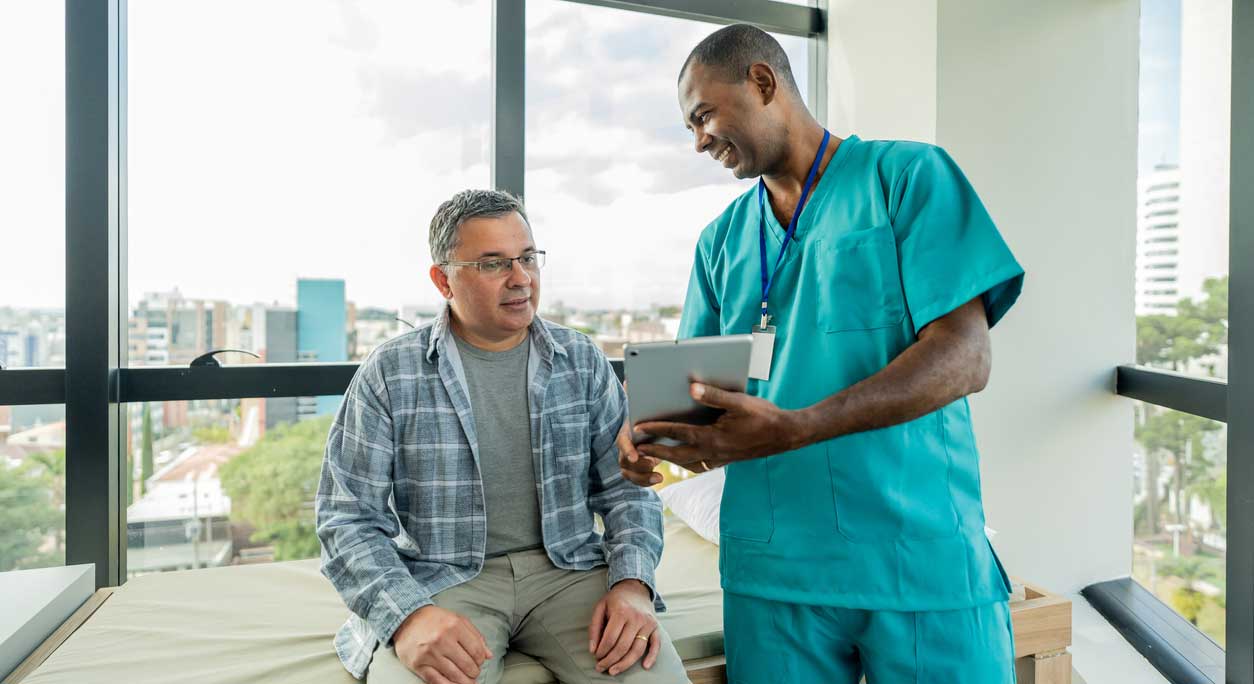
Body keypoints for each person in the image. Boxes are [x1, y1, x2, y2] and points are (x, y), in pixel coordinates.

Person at [618, 24, 1026, 683]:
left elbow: (964, 358)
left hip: (916, 559)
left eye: (703, 115)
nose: (698, 141)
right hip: (775, 577)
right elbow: (698, 411)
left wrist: (801, 426)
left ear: (762, 81)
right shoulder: (719, 242)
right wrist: (651, 446)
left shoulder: (908, 178)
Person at [317, 189, 686, 684]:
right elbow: (347, 517)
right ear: (443, 279)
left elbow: (626, 490)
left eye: (528, 258)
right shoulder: (389, 372)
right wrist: (407, 616)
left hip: (570, 573)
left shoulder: (581, 360)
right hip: (446, 581)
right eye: (493, 263)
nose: (521, 279)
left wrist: (634, 583)